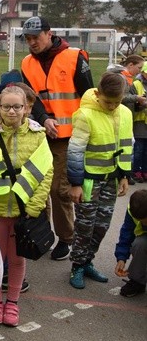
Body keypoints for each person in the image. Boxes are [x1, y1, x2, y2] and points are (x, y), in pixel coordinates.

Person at [21, 16, 94, 261]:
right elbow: (32, 99)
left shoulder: (74, 57)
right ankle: (45, 235)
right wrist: (44, 120)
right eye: (28, 39)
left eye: (36, 37)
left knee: (58, 190)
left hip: (69, 137)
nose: (32, 42)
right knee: (39, 186)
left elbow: (89, 98)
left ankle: (66, 238)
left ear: (49, 33)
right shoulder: (27, 63)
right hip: (41, 134)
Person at [0, 85, 52, 326]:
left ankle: (12, 302)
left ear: (26, 109)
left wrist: (34, 207)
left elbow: (46, 174)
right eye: (6, 106)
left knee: (17, 259)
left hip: (24, 212)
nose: (11, 112)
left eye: (17, 107)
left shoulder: (38, 135)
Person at [67, 71, 131, 289]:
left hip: (111, 179)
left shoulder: (125, 113)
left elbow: (126, 146)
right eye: (108, 102)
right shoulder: (85, 115)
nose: (112, 106)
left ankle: (87, 261)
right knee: (85, 225)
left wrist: (124, 175)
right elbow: (75, 152)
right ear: (97, 93)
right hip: (88, 180)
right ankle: (77, 264)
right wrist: (75, 183)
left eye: (117, 102)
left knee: (102, 225)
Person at [115, 189, 147, 297]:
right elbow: (126, 234)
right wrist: (121, 257)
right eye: (141, 220)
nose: (143, 223)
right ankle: (138, 282)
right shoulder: (133, 210)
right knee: (139, 244)